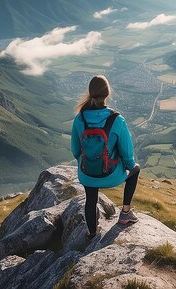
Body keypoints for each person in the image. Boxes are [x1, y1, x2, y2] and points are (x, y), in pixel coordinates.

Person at [71, 75, 141, 239]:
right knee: (136, 169)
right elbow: (127, 155)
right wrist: (128, 166)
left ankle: (92, 233)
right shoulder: (117, 120)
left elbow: (75, 149)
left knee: (90, 199)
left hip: (87, 173)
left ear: (90, 93)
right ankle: (125, 214)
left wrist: (87, 161)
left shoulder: (79, 118)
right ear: (108, 94)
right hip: (111, 175)